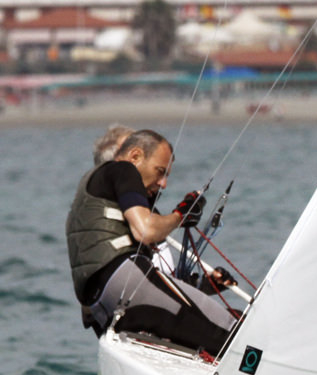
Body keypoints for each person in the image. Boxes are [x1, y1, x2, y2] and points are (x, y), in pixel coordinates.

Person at [64, 129, 237, 356]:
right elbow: (146, 231)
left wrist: (203, 286)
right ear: (135, 156)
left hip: (101, 307)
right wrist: (179, 215)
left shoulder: (88, 192)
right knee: (233, 333)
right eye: (160, 172)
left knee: (200, 339)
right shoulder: (123, 169)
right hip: (127, 283)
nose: (163, 183)